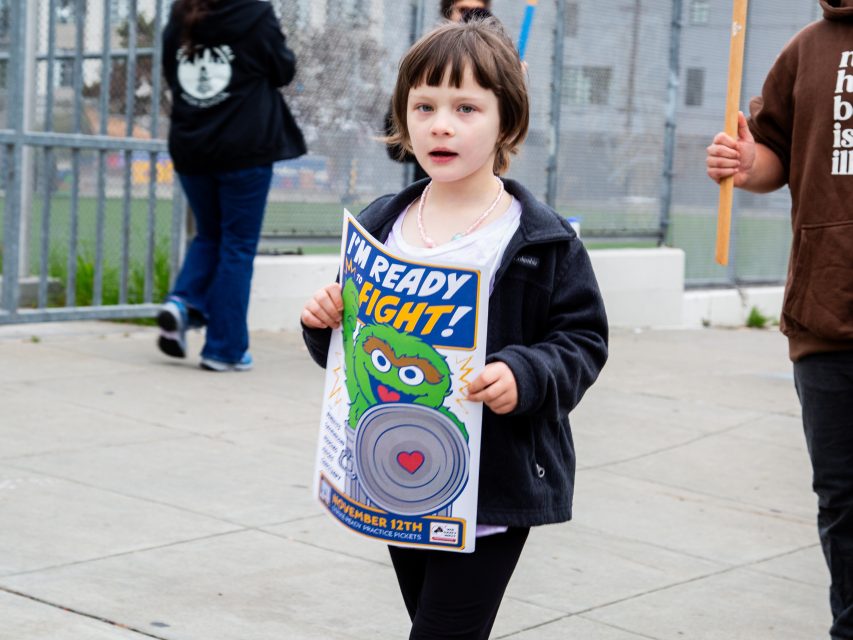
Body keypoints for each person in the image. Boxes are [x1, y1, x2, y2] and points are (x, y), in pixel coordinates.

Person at [303, 18, 608, 639]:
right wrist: (323, 321)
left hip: (491, 491)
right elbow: (348, 351)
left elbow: (582, 341)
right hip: (395, 482)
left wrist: (523, 374)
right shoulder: (382, 224)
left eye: (466, 107)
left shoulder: (539, 240)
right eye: (425, 105)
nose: (441, 123)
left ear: (507, 122)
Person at [706, 1, 853, 637]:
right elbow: (772, 155)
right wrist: (745, 163)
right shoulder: (807, 47)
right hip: (827, 316)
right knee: (844, 503)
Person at [157, 0, 305, 371]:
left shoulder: (180, 13)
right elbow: (283, 69)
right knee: (237, 245)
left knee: (209, 234)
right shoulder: (254, 12)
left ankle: (183, 302)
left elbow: (170, 73)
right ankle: (224, 348)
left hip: (192, 145)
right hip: (244, 147)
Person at [384, 0, 493, 183]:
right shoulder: (425, 65)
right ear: (447, 13)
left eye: (467, 108)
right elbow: (395, 146)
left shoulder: (495, 72)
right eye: (426, 107)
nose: (442, 127)